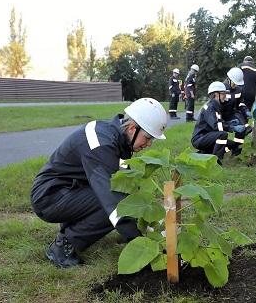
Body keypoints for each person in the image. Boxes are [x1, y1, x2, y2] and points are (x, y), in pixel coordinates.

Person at [30, 98, 168, 268]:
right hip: (49, 197)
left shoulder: (116, 138)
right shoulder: (101, 145)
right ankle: (64, 245)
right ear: (132, 128)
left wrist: (150, 228)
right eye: (147, 138)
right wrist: (137, 242)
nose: (148, 144)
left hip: (68, 190)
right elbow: (113, 198)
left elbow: (125, 182)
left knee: (123, 193)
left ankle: (71, 229)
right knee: (114, 202)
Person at [192, 81, 238, 165]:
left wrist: (229, 123)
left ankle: (203, 154)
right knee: (223, 135)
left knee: (231, 144)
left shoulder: (215, 106)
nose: (225, 96)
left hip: (207, 137)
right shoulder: (210, 107)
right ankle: (216, 161)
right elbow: (216, 126)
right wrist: (230, 127)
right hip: (200, 138)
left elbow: (219, 122)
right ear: (216, 94)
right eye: (223, 93)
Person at [221, 67, 252, 156]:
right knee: (221, 134)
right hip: (220, 115)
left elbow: (240, 104)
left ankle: (236, 151)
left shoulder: (239, 90)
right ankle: (221, 151)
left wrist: (246, 111)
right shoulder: (221, 89)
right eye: (235, 83)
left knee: (242, 130)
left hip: (231, 114)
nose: (236, 85)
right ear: (229, 79)